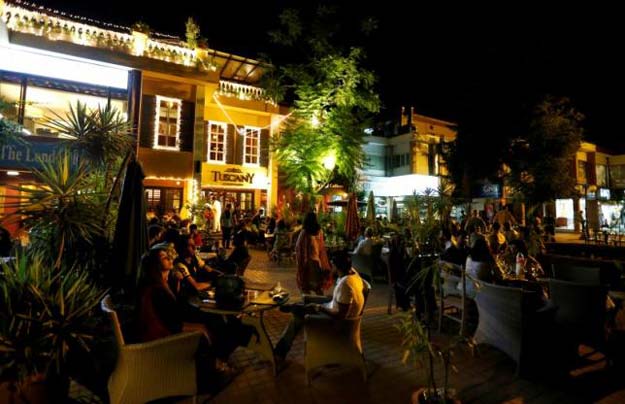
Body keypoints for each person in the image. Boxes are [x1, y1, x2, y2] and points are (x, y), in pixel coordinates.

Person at [274, 249, 369, 362]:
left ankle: (279, 352)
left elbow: (340, 315)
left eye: (331, 264)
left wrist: (319, 307)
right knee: (304, 303)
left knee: (297, 318)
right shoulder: (354, 274)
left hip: (338, 323)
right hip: (334, 308)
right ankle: (294, 307)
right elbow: (343, 301)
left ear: (335, 265)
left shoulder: (345, 285)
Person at [295, 212, 333, 295]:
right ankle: (320, 304)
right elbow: (322, 248)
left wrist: (301, 264)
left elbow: (300, 248)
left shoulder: (305, 233)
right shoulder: (319, 231)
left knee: (305, 288)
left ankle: (309, 305)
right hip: (317, 262)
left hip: (308, 263)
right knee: (318, 288)